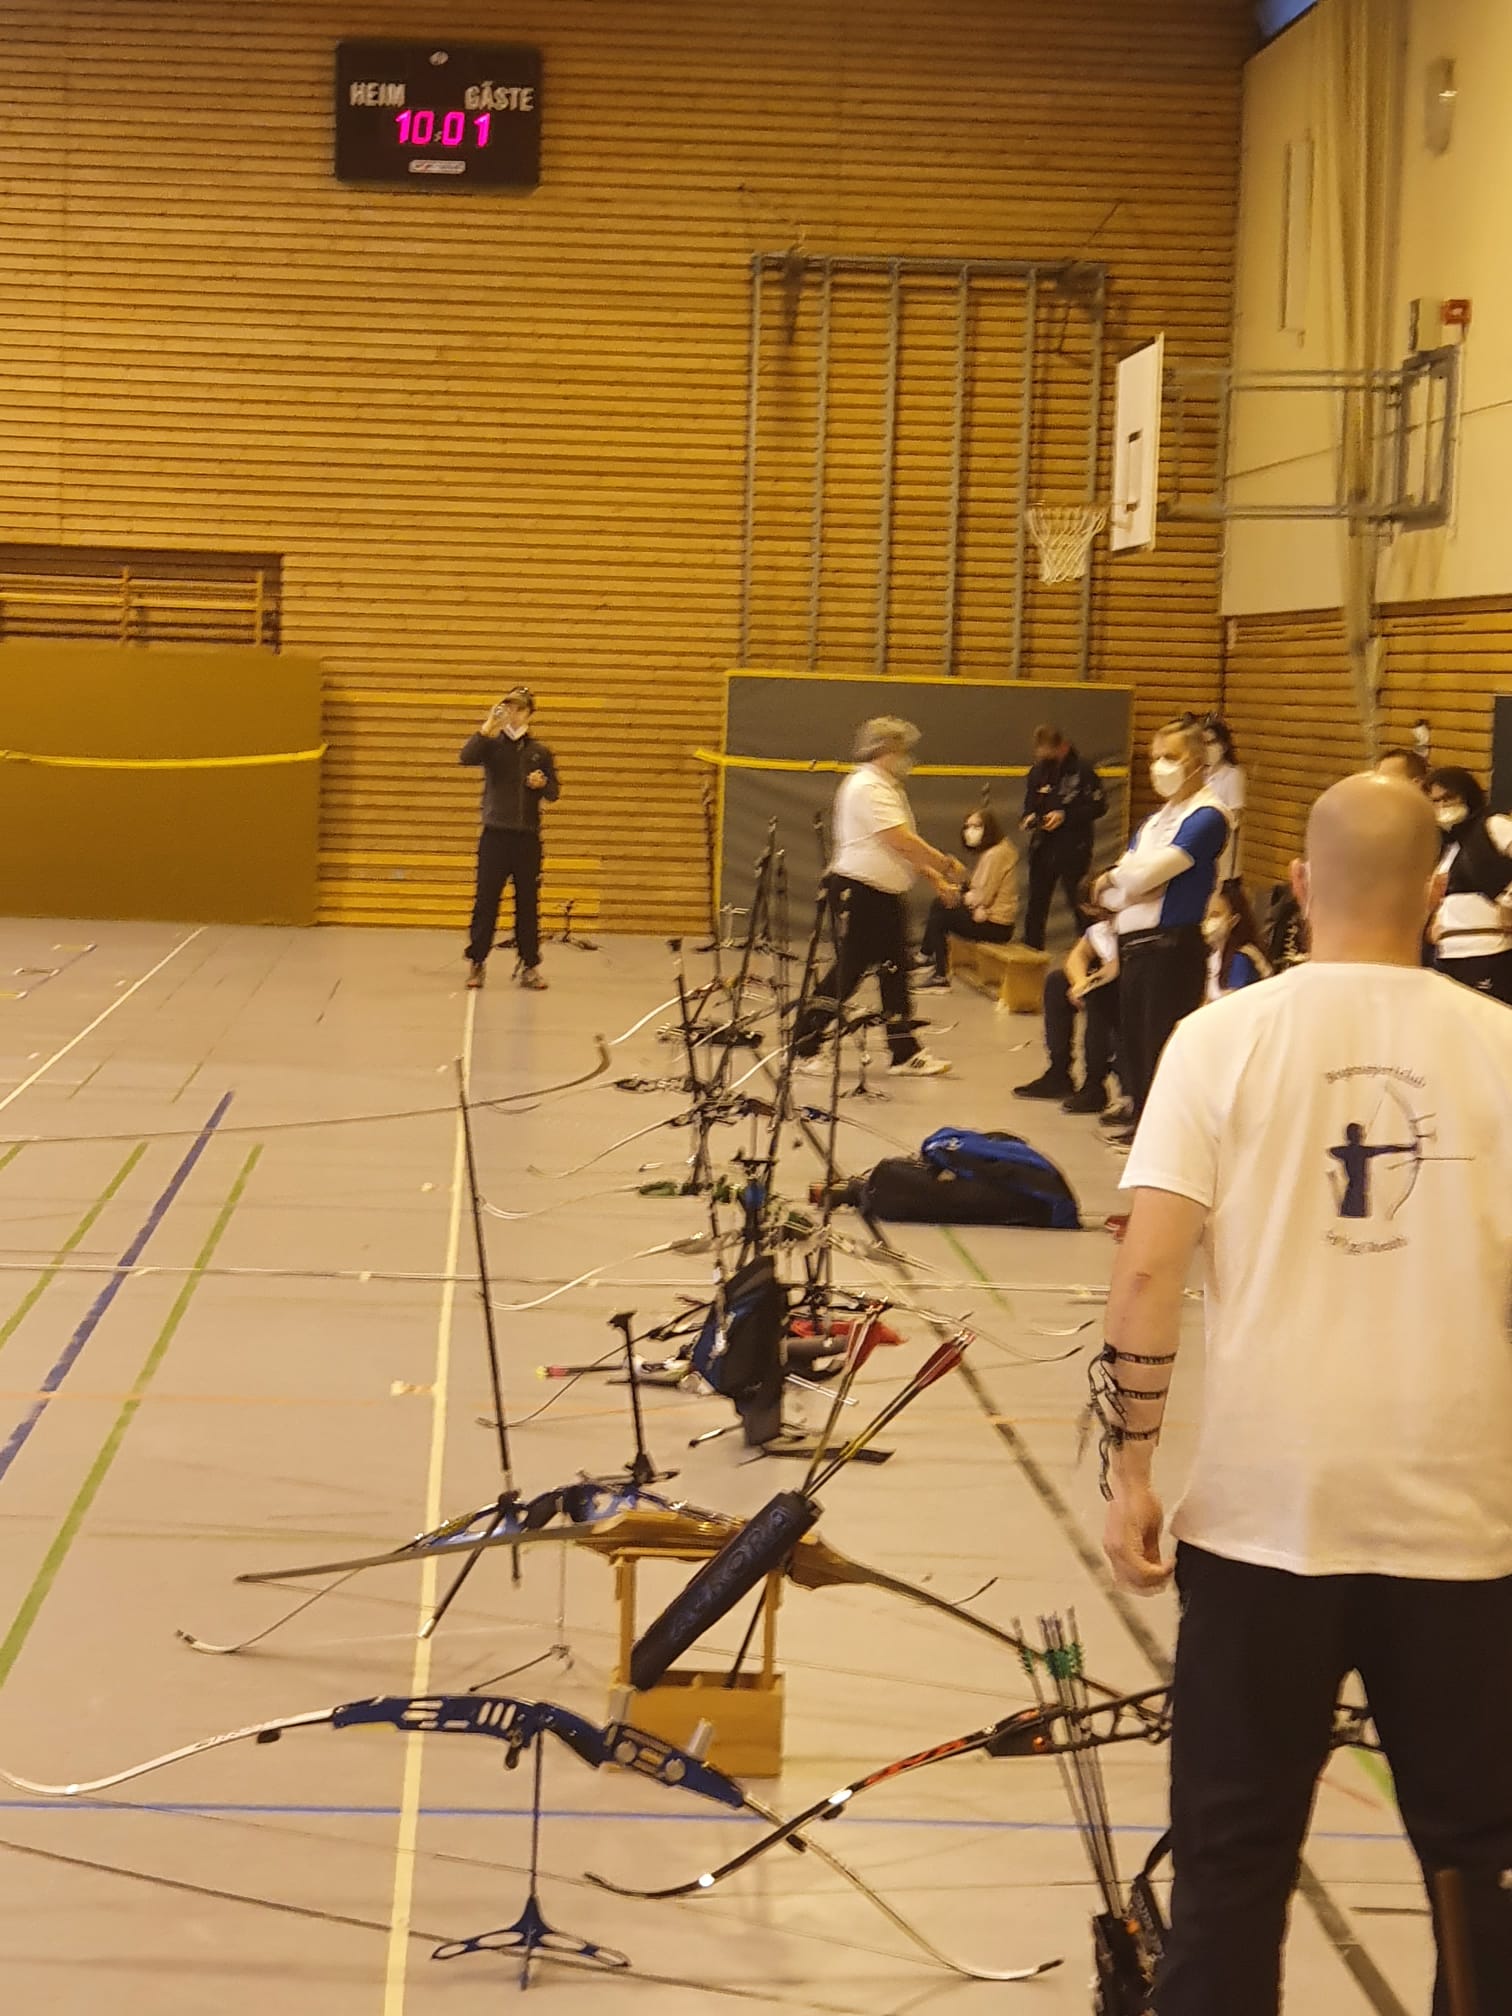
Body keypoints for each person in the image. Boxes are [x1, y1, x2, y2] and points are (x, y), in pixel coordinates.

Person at [1098, 772, 1512, 2016]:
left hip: (1263, 1524)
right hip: (1465, 1528)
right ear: (1435, 897)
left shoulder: (1220, 1038)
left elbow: (1146, 1271)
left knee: (1232, 1865)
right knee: (1479, 1868)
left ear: (1297, 884)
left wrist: (1131, 1467)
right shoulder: (1504, 1048)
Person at [792, 717, 960, 1078]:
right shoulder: (868, 786)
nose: (907, 758)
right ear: (885, 750)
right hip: (861, 890)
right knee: (850, 970)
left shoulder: (888, 787)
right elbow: (898, 839)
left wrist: (933, 878)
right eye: (901, 750)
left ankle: (903, 1051)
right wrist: (944, 864)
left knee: (895, 970)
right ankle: (804, 1043)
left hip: (884, 893)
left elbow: (899, 848)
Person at [1092, 719, 1230, 1135]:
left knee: (1160, 1045)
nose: (1159, 766)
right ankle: (1141, 1121)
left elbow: (1138, 878)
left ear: (1197, 761)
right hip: (1135, 944)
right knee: (1134, 1044)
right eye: (1155, 758)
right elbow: (1115, 894)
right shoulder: (1154, 823)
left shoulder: (1208, 816)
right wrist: (1127, 882)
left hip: (1171, 946)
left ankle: (1164, 1132)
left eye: (1170, 757)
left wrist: (1119, 878)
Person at [459, 684, 560, 991]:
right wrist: (488, 725)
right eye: (509, 708)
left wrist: (541, 784)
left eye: (519, 709)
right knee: (486, 901)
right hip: (495, 836)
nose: (513, 714)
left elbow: (554, 792)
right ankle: (477, 961)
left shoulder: (539, 752)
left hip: (527, 838)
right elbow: (466, 757)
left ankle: (530, 965)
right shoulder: (491, 746)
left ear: (529, 713)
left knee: (528, 903)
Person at [1014, 884, 1121, 1114]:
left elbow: (1117, 965)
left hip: (1129, 983)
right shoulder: (1101, 929)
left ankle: (1094, 1084)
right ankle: (1059, 1072)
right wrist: (1080, 982)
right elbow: (1077, 956)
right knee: (1057, 982)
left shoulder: (1133, 924)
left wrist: (1089, 985)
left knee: (1099, 995)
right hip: (1104, 979)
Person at [1427, 766, 1512, 1005]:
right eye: (1435, 801)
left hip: (1489, 950)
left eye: (1448, 798)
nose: (1442, 806)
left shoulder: (1493, 825)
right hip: (1448, 955)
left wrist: (1508, 902)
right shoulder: (1448, 848)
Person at [1020, 724, 1106, 949]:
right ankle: (1031, 952)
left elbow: (1099, 806)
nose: (1043, 757)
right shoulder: (1037, 772)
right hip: (1043, 846)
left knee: (1079, 903)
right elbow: (1030, 804)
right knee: (1036, 905)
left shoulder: (1083, 771)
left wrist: (1066, 816)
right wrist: (1030, 817)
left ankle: (1092, 951)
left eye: (1048, 752)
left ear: (1061, 747)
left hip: (1073, 847)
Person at [915, 806, 1018, 991]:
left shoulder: (995, 854)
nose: (970, 831)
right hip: (989, 918)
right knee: (941, 906)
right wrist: (961, 882)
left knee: (941, 911)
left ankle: (935, 969)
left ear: (989, 828)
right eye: (967, 827)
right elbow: (978, 888)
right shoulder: (996, 850)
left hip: (996, 925)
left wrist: (961, 897)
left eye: (977, 826)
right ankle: (928, 958)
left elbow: (981, 897)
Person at [1201, 886, 1270, 1001]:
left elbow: (1233, 1002)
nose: (1207, 921)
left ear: (1234, 921)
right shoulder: (1213, 956)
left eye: (1215, 914)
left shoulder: (1242, 958)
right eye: (1205, 915)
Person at [1199, 714, 1245, 884]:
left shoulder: (1233, 775)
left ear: (1223, 745)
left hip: (1224, 860)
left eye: (1211, 742)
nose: (1207, 748)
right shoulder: (1201, 775)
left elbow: (1235, 817)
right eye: (1203, 743)